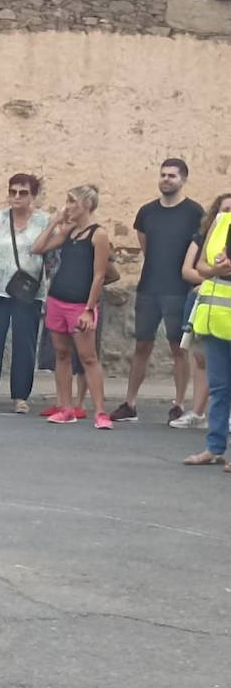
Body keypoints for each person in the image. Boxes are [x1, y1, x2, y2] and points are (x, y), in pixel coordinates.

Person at [112, 159, 204, 423]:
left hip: (178, 289)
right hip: (149, 288)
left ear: (183, 179)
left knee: (178, 348)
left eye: (172, 176)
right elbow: (146, 245)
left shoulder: (194, 213)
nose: (166, 179)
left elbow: (197, 248)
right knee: (142, 345)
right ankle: (129, 403)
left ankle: (178, 404)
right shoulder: (147, 212)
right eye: (163, 175)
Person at [30, 185, 113, 428]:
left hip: (80, 304)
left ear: (86, 205)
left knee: (88, 357)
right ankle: (66, 408)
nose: (67, 206)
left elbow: (99, 275)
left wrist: (89, 308)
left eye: (72, 202)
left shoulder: (98, 234)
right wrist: (54, 222)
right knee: (62, 354)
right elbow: (38, 248)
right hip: (57, 299)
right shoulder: (69, 232)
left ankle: (100, 412)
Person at [0, 173, 50, 414]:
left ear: (33, 196)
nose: (17, 197)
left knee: (24, 343)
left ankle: (20, 396)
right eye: (13, 191)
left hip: (28, 291)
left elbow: (50, 255)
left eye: (23, 192)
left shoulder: (44, 222)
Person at [168, 196, 231, 430]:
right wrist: (216, 270)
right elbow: (196, 267)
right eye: (225, 208)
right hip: (213, 313)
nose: (227, 212)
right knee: (213, 378)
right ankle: (211, 441)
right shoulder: (216, 228)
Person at [185, 199, 231, 468]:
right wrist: (216, 270)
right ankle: (214, 448)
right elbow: (200, 265)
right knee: (219, 389)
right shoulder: (219, 224)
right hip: (215, 321)